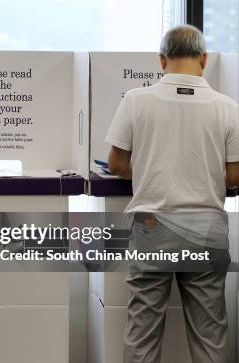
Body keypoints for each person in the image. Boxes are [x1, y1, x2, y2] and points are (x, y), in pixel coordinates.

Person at [106, 25, 239, 363]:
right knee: (210, 334)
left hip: (153, 227)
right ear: (204, 59)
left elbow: (117, 164)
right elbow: (235, 175)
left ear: (162, 60)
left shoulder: (136, 100)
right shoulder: (228, 108)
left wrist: (152, 168)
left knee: (143, 333)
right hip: (207, 229)